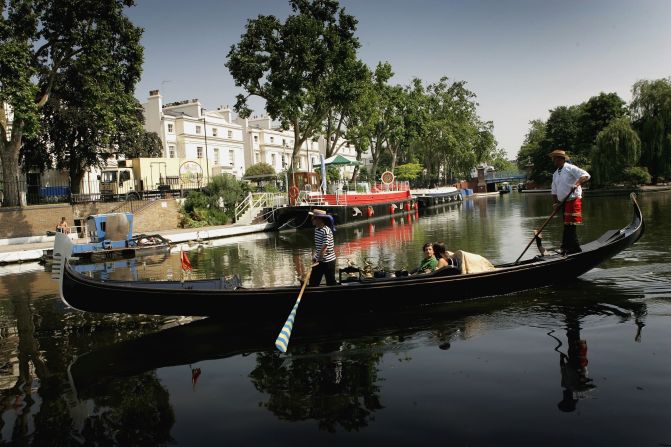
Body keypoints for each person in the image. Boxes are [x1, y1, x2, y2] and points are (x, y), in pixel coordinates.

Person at [549, 149, 590, 255]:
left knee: (570, 225)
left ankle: (573, 248)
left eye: (555, 159)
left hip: (573, 200)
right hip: (563, 202)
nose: (554, 161)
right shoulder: (555, 174)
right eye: (554, 159)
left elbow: (585, 175)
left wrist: (577, 183)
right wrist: (555, 203)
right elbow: (554, 190)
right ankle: (567, 247)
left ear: (561, 159)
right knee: (566, 225)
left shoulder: (570, 168)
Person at [308, 209, 337, 286]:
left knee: (331, 283)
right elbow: (318, 246)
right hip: (319, 259)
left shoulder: (326, 231)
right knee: (313, 282)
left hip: (328, 261)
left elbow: (324, 248)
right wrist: (315, 257)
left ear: (320, 219)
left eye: (313, 218)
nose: (311, 219)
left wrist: (318, 261)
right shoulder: (317, 229)